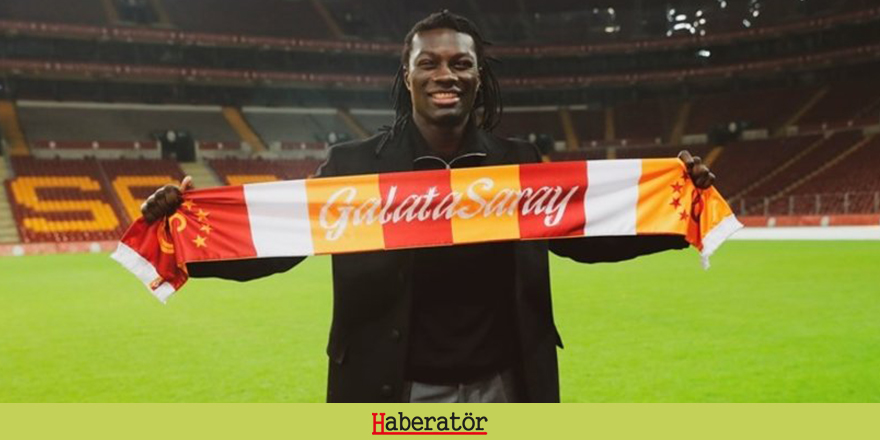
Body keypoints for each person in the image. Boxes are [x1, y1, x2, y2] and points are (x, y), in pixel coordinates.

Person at [141, 11, 715, 403]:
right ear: (407, 75)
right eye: (430, 63)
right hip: (393, 391)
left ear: (479, 76)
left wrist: (676, 213)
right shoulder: (355, 166)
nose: (447, 75)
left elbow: (586, 237)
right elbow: (280, 243)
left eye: (461, 64)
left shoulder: (517, 163)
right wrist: (183, 235)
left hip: (507, 387)